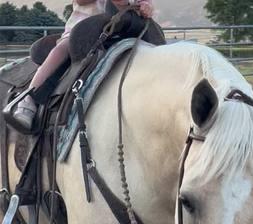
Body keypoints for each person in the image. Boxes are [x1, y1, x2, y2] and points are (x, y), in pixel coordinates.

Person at [14, 0, 154, 130]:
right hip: (87, 25)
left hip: (127, 27)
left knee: (153, 51)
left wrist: (146, 5)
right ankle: (28, 100)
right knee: (64, 48)